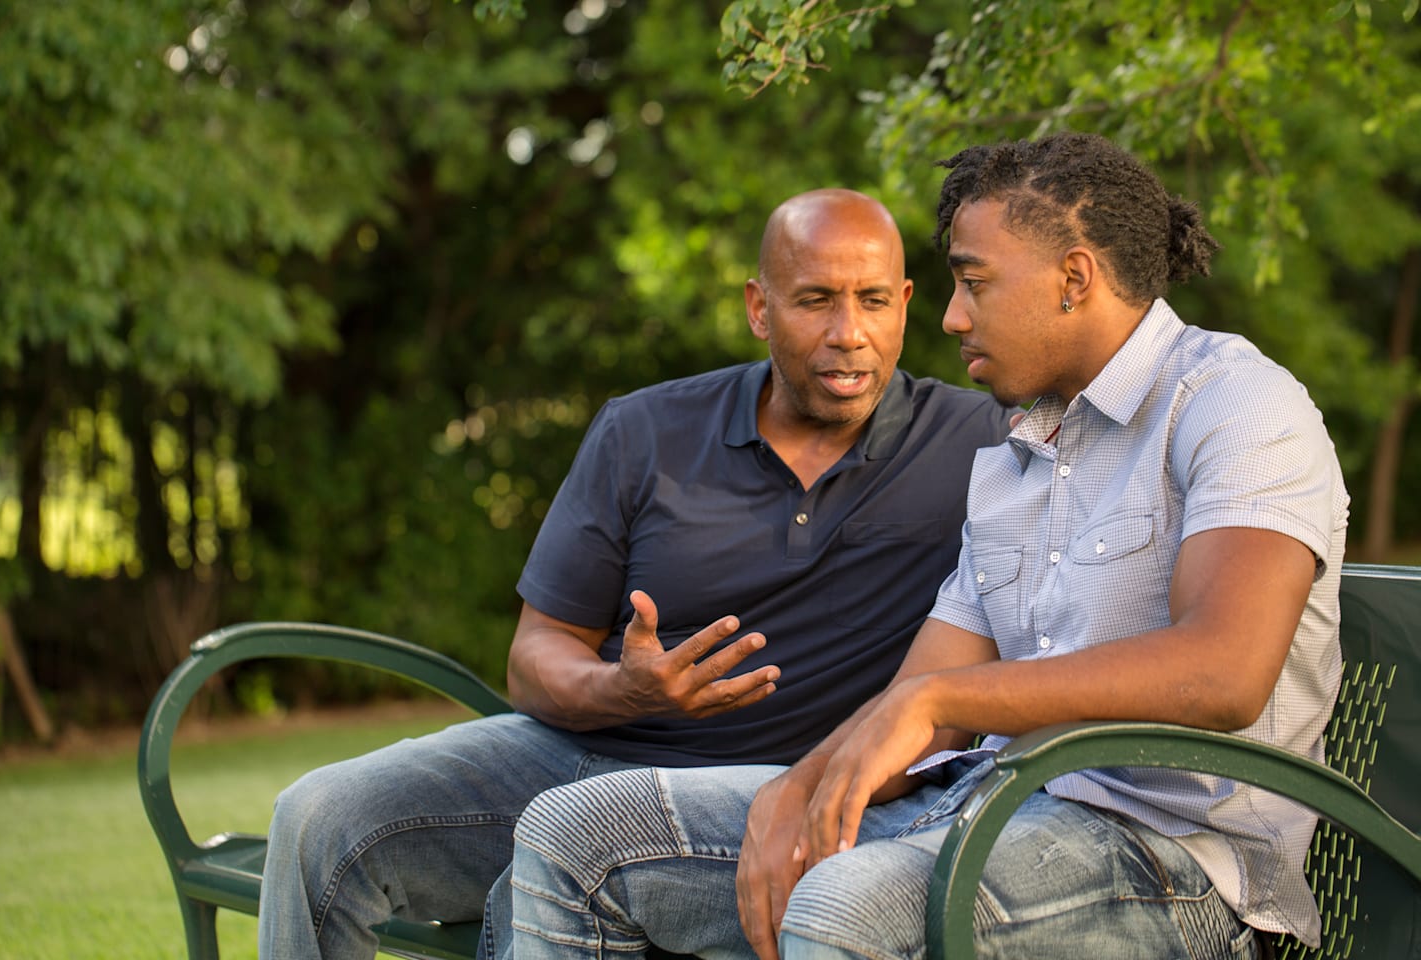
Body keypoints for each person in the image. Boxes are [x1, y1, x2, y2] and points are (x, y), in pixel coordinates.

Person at [506, 132, 1348, 960]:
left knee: (844, 906)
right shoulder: (1022, 453)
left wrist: (944, 705)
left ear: (1075, 279)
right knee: (583, 832)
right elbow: (919, 693)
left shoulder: (1237, 407)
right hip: (983, 806)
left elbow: (1225, 671)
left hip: (1174, 866)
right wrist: (802, 785)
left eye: (974, 283)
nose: (949, 317)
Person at [256, 188, 1013, 960]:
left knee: (554, 860)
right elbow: (536, 654)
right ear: (760, 307)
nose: (849, 333)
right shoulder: (645, 430)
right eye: (815, 300)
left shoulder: (979, 441)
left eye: (873, 301)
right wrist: (620, 688)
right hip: (587, 748)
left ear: (907, 304)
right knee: (317, 817)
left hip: (774, 787)